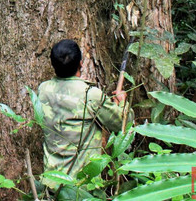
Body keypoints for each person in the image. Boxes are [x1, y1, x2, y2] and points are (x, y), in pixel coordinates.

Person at [37, 39, 133, 196]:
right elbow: (122, 125)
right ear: (81, 64)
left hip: (51, 184)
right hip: (82, 189)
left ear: (53, 65)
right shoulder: (90, 94)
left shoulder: (43, 90)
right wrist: (122, 104)